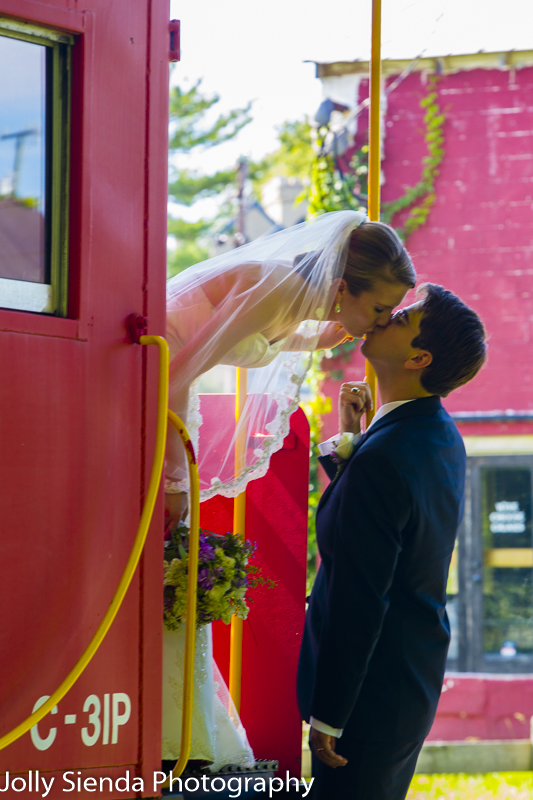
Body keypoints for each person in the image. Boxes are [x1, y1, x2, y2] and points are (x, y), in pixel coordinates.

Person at [297, 284, 487, 800]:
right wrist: (349, 440)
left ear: (418, 357)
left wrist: (330, 714)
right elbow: (383, 526)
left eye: (402, 317)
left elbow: (362, 596)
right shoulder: (436, 433)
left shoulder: (388, 455)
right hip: (407, 680)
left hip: (370, 698)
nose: (385, 317)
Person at [165, 210, 416, 525]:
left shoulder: (293, 294)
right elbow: (174, 380)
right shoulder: (274, 296)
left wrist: (314, 340)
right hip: (147, 381)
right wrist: (173, 482)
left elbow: (252, 338)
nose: (384, 321)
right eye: (380, 308)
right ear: (340, 289)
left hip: (161, 388)